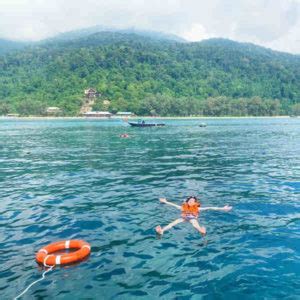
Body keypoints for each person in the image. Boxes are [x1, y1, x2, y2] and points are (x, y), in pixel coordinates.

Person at [155, 196, 232, 237]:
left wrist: (223, 208)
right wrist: (165, 201)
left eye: (192, 201)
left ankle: (201, 231)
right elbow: (173, 205)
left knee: (195, 224)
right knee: (172, 223)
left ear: (195, 203)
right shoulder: (183, 207)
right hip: (184, 217)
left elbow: (210, 207)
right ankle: (162, 230)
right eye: (189, 201)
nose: (191, 202)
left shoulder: (197, 208)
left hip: (192, 218)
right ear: (187, 202)